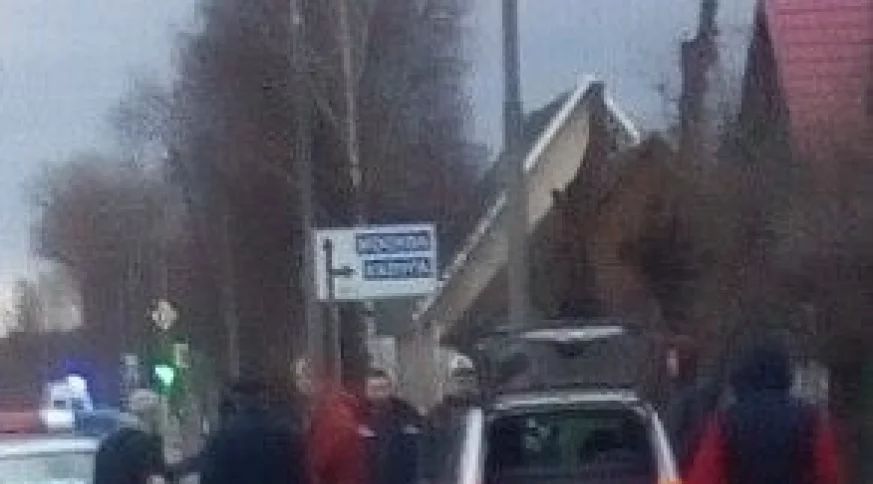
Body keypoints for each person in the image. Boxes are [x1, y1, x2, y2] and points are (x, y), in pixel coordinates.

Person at [685, 340, 843, 484]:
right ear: (786, 374)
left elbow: (704, 476)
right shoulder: (810, 419)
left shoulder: (727, 422)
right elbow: (828, 474)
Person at [199, 378, 305, 484]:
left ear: (237, 401)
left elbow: (210, 477)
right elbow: (300, 474)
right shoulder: (285, 433)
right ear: (264, 398)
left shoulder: (221, 439)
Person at [295, 357, 368, 484]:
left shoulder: (335, 413)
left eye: (305, 376)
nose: (300, 382)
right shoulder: (316, 409)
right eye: (298, 378)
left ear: (319, 378)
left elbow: (322, 461)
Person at [94, 389, 167, 484]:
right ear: (154, 416)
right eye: (163, 414)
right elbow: (155, 479)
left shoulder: (108, 442)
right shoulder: (145, 444)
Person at [424, 358, 480, 482]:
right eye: (458, 376)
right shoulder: (435, 415)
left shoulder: (484, 411)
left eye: (468, 376)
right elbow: (425, 456)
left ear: (474, 381)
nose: (463, 380)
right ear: (448, 381)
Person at [363, 368, 423, 484]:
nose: (379, 394)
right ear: (366, 390)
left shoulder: (408, 416)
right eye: (374, 389)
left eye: (383, 388)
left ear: (390, 389)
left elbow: (420, 452)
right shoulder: (357, 417)